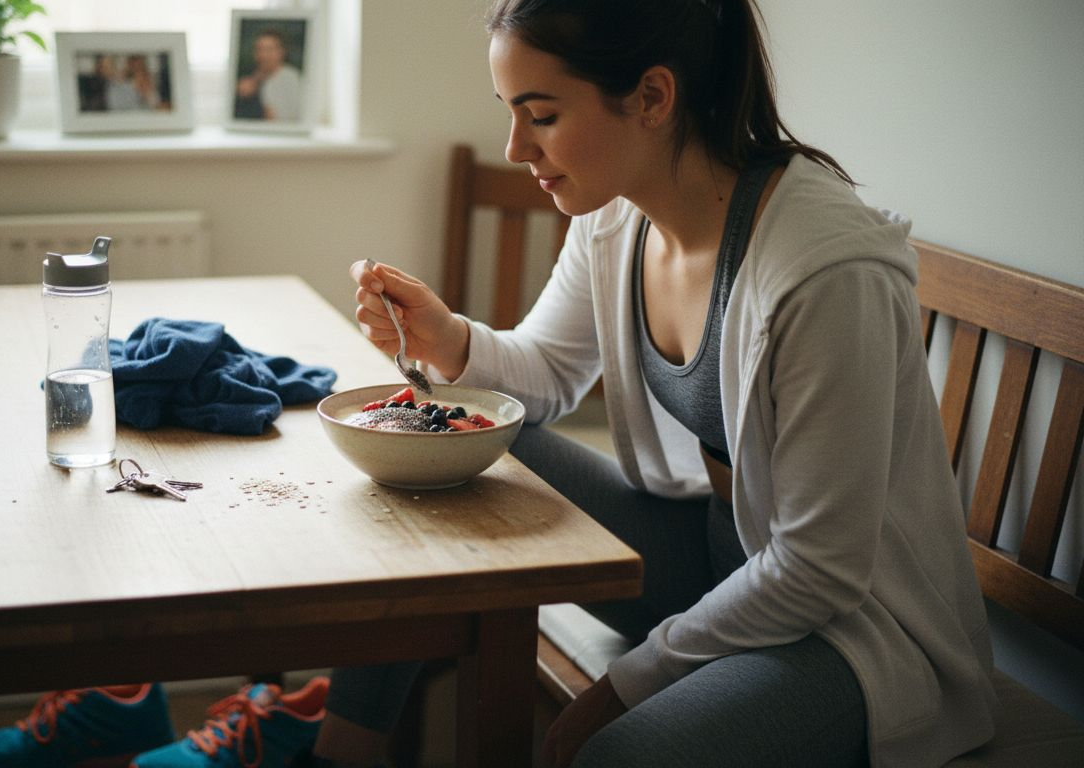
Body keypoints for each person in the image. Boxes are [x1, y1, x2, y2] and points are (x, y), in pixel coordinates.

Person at [308, 0, 997, 767]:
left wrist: (625, 684)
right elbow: (547, 374)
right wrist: (448, 337)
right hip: (705, 559)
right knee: (431, 459)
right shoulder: (617, 216)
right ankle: (342, 754)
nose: (514, 148)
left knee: (619, 753)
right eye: (510, 113)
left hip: (852, 632)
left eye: (541, 116)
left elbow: (818, 569)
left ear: (653, 97)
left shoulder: (825, 272)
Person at [234, 29, 303, 122]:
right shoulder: (253, 78)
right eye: (259, 49)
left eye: (269, 50)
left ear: (282, 52)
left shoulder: (291, 79)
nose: (263, 55)